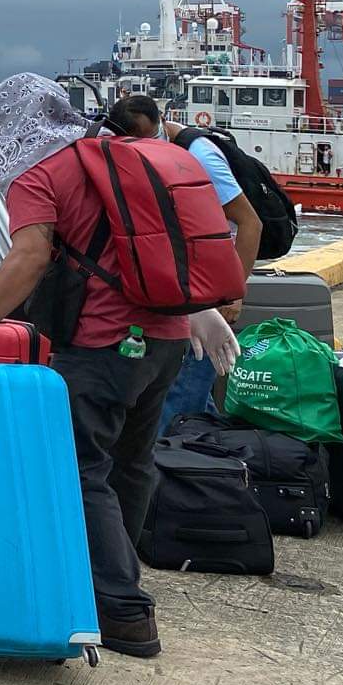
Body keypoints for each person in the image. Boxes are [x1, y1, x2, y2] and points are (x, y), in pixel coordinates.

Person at [0, 74, 241, 659]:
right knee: (132, 464)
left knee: (81, 470)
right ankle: (118, 581)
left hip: (104, 344)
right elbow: (159, 239)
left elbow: (29, 258)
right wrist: (200, 306)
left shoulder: (38, 172)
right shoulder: (112, 150)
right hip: (168, 338)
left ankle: (123, 611)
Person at [102, 95, 263, 433]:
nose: (144, 147)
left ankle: (183, 472)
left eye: (149, 137)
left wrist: (232, 296)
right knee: (187, 401)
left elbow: (250, 224)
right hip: (177, 294)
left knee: (178, 411)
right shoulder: (129, 151)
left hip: (209, 293)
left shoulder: (200, 156)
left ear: (161, 121)